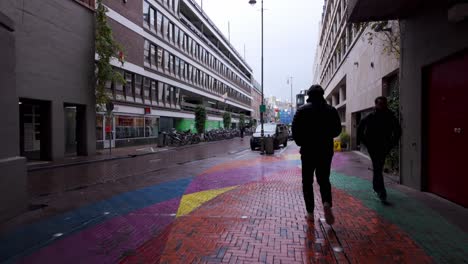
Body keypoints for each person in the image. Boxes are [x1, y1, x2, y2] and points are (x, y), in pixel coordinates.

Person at [292, 85, 342, 224]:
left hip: (308, 151)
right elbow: (337, 130)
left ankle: (310, 213)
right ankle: (326, 203)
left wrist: (302, 142)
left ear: (309, 95)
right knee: (324, 179)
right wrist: (326, 135)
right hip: (325, 150)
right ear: (322, 94)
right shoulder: (331, 110)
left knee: (307, 181)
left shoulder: (301, 111)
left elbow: (295, 131)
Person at [357, 96, 401, 202]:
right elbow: (360, 130)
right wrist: (367, 143)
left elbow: (398, 131)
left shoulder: (390, 116)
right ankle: (381, 191)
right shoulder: (371, 116)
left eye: (383, 103)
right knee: (377, 167)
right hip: (373, 147)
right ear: (376, 104)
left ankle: (378, 188)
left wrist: (391, 144)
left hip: (384, 146)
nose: (382, 105)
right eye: (380, 103)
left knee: (377, 168)